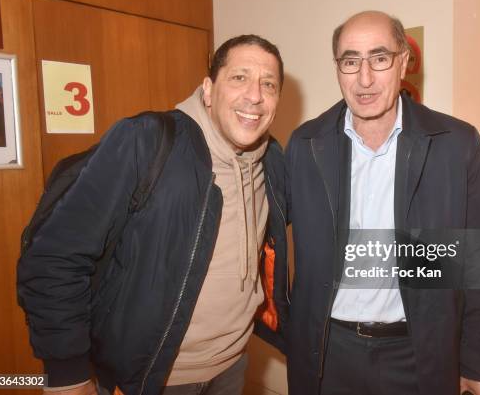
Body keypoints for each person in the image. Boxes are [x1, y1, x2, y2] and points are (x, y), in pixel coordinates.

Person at [17, 34, 289, 395]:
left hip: (232, 367)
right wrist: (67, 373)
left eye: (268, 84)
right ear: (208, 90)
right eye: (239, 77)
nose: (254, 95)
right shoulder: (145, 140)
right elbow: (54, 257)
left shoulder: (272, 161)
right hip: (148, 379)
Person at [284, 11, 480, 395]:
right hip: (327, 356)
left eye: (380, 58)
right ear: (337, 68)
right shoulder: (305, 146)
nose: (365, 78)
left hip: (420, 356)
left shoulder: (455, 145)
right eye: (351, 61)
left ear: (404, 61)